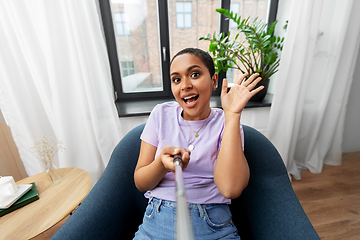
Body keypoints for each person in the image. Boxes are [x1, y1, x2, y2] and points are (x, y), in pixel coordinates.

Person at [133, 48, 263, 239]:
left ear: (213, 80)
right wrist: (161, 164)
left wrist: (233, 115)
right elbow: (141, 183)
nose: (185, 85)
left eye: (195, 74)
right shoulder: (160, 114)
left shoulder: (226, 122)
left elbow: (230, 189)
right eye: (176, 79)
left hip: (214, 227)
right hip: (157, 222)